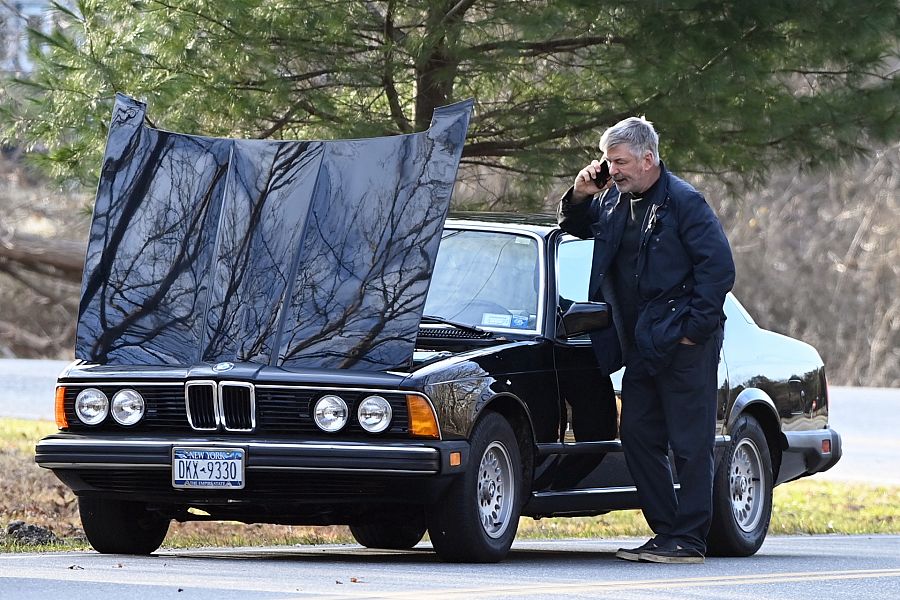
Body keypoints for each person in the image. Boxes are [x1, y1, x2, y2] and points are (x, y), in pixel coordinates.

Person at [557, 116, 735, 564]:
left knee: (690, 443)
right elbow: (576, 224)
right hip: (639, 344)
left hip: (682, 344)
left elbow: (718, 270)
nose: (612, 169)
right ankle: (668, 531)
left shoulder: (685, 202)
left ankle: (691, 539)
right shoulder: (615, 201)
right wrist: (580, 193)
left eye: (619, 161)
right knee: (636, 434)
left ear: (648, 158)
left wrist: (694, 333)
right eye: (608, 161)